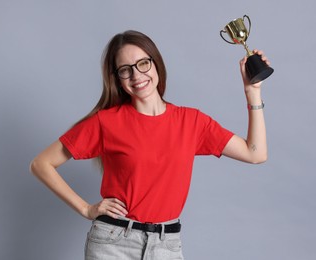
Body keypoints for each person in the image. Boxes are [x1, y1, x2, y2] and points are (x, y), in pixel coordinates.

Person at [30, 30, 269, 259]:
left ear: (156, 64)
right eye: (125, 70)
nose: (137, 76)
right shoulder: (106, 122)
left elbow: (255, 153)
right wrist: (85, 209)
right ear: (118, 78)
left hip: (167, 245)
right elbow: (41, 164)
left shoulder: (191, 121)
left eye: (143, 63)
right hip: (113, 245)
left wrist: (252, 92)